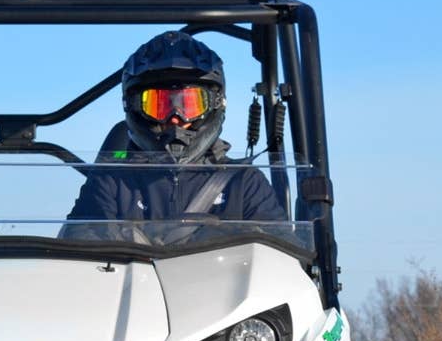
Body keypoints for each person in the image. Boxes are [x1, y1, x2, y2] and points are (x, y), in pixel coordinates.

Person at [65, 31, 286, 229]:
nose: (175, 118)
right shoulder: (113, 180)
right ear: (134, 107)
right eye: (158, 105)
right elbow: (81, 243)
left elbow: (279, 250)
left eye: (190, 104)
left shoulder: (243, 182)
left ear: (215, 104)